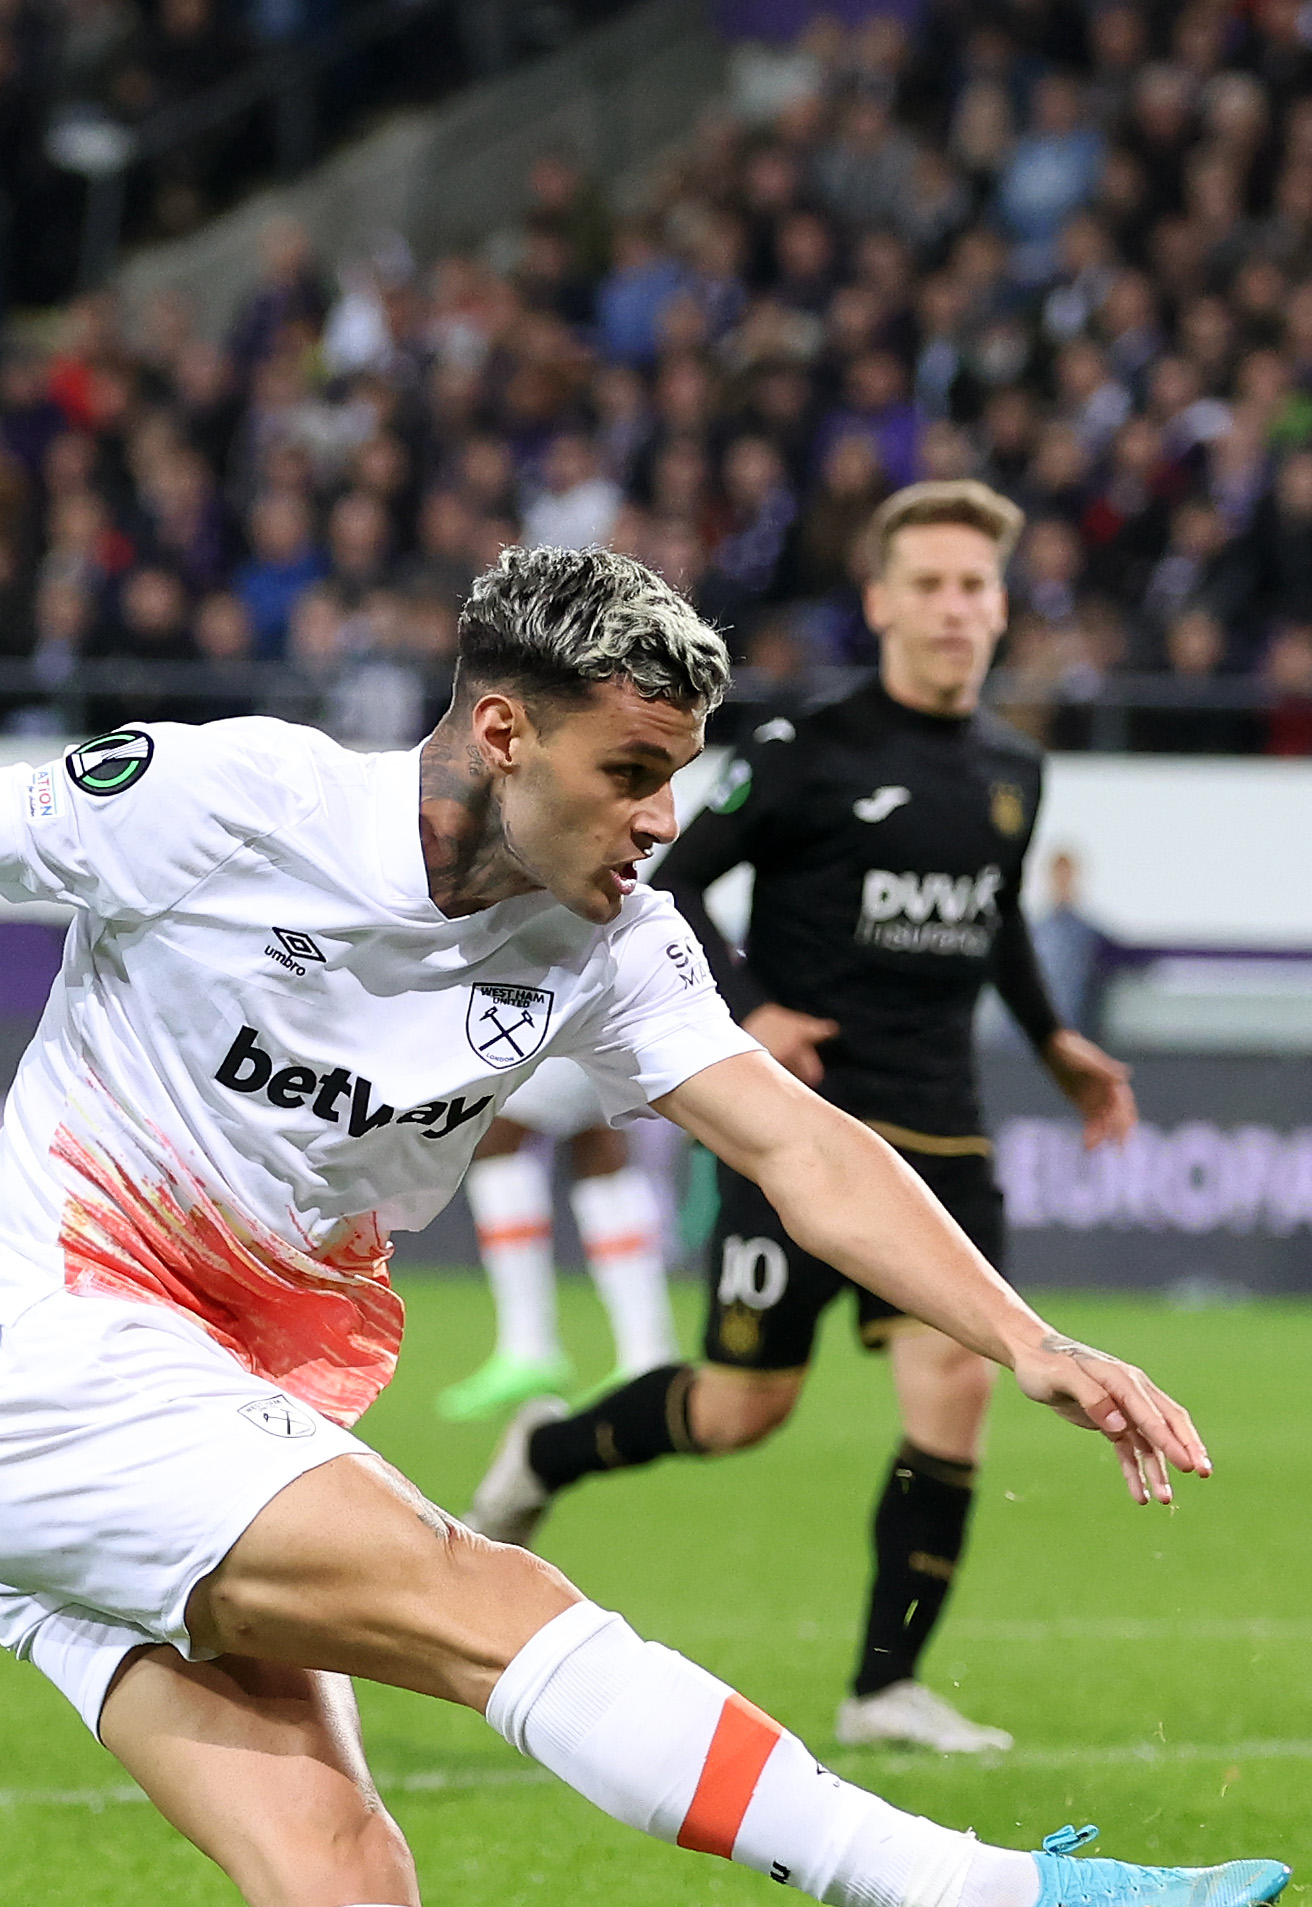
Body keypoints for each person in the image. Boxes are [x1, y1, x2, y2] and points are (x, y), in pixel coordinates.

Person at [0, 547, 1285, 1907]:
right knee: (487, 1601)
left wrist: (1028, 1336)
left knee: (332, 1840)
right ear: (502, 731)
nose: (661, 819)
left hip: (174, 1413)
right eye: (629, 772)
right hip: (61, 1358)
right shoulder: (232, 797)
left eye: (676, 774)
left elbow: (800, 1144)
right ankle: (975, 1903)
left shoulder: (605, 935)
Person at [469, 483, 1138, 1762]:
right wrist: (757, 1006)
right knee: (740, 1410)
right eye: (930, 584)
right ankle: (551, 1448)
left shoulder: (1013, 768)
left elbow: (992, 919)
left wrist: (1054, 1044)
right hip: (800, 1128)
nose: (956, 608)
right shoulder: (804, 751)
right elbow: (678, 885)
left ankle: (885, 1686)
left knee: (956, 1388)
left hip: (943, 1127)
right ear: (882, 600)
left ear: (1001, 608)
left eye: (976, 586)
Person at [433, 1063, 678, 1418]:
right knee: (595, 1140)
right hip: (612, 1020)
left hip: (573, 1017)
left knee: (496, 1134)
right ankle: (648, 1355)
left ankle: (530, 1347)